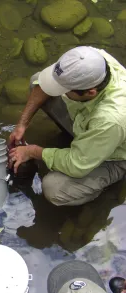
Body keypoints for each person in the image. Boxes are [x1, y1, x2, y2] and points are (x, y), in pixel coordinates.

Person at [9, 46, 126, 206]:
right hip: (91, 125)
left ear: (90, 92)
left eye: (65, 90)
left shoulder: (110, 119)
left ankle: (101, 188)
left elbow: (76, 164)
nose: (60, 92)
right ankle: (83, 141)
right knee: (37, 80)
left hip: (115, 155)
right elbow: (42, 84)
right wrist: (22, 123)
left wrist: (33, 151)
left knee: (54, 189)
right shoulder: (90, 59)